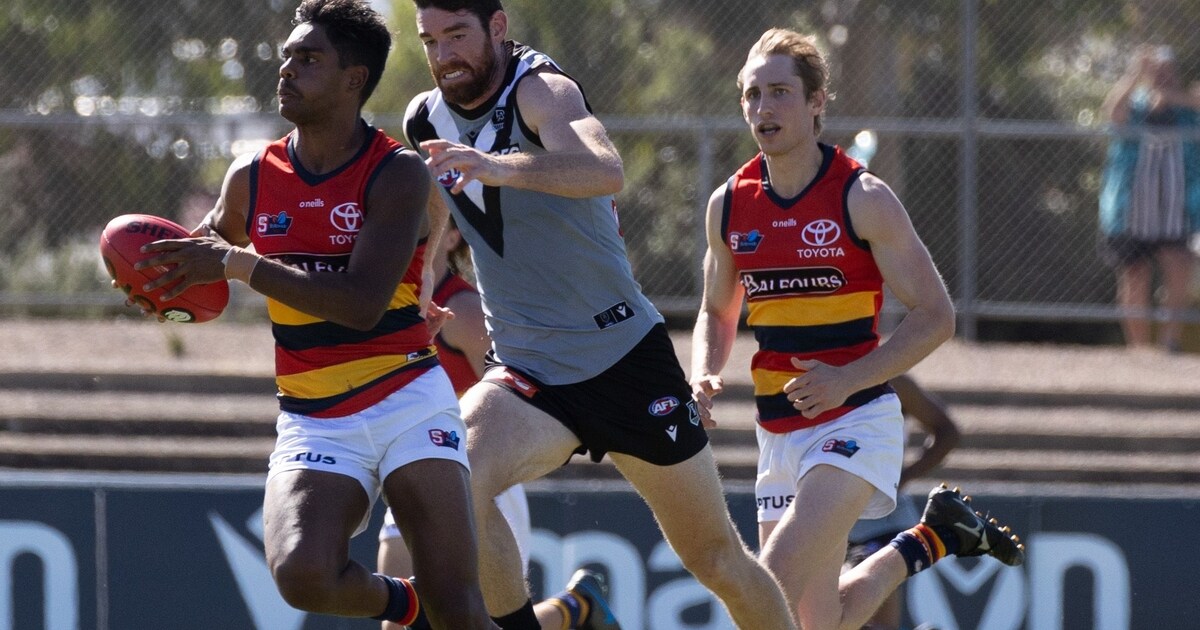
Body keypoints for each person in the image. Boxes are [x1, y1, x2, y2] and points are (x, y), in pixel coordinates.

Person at [402, 1, 799, 629]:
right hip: (528, 370)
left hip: (623, 360)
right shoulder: (424, 116)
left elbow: (603, 168)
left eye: (457, 35)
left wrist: (497, 166)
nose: (444, 55)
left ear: (498, 28)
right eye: (430, 40)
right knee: (452, 472)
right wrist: (427, 267)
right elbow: (440, 189)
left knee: (718, 561)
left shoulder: (540, 90)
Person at [129, 1, 495, 627]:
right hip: (315, 414)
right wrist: (152, 280)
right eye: (287, 57)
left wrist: (238, 264)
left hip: (407, 397)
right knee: (302, 575)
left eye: (308, 58)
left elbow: (360, 304)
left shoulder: (395, 172)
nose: (287, 70)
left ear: (354, 78)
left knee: (459, 607)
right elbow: (202, 257)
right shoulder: (251, 176)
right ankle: (411, 605)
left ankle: (437, 605)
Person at [689, 28, 1024, 630]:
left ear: (817, 101)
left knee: (769, 584)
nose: (764, 108)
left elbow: (936, 315)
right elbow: (716, 311)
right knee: (823, 622)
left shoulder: (862, 196)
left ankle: (927, 536)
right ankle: (930, 538)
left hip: (855, 420)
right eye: (753, 95)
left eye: (780, 92)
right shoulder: (730, 204)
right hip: (777, 430)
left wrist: (847, 379)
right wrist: (704, 372)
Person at [377, 222, 619, 630]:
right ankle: (577, 605)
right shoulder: (389, 301)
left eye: (428, 220)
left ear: (452, 238)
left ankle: (575, 608)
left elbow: (509, 397)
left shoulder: (463, 309)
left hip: (475, 476)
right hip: (414, 471)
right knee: (400, 624)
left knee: (491, 621)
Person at [1099, 44, 1200, 353]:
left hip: (1177, 209)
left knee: (1178, 269)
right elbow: (1112, 112)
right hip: (1131, 210)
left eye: (1167, 69)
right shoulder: (1135, 106)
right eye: (1156, 70)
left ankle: (1170, 341)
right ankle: (1139, 349)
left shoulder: (1188, 108)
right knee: (1135, 274)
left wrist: (1172, 97)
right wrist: (1133, 74)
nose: (1162, 75)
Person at [843, 374, 960, 630]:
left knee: (866, 598)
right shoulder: (815, 372)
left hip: (881, 520)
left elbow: (948, 432)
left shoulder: (894, 381)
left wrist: (903, 477)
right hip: (828, 516)